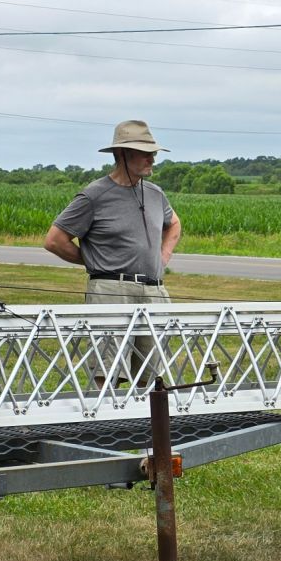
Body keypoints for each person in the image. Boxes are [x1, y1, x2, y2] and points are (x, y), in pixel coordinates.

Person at [44, 120, 183, 385]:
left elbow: (174, 224)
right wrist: (94, 262)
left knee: (153, 373)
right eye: (145, 153)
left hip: (154, 290)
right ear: (122, 154)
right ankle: (106, 412)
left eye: (153, 153)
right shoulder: (94, 195)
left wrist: (163, 256)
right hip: (110, 290)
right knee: (108, 369)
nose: (152, 159)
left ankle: (145, 413)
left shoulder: (156, 193)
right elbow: (54, 240)